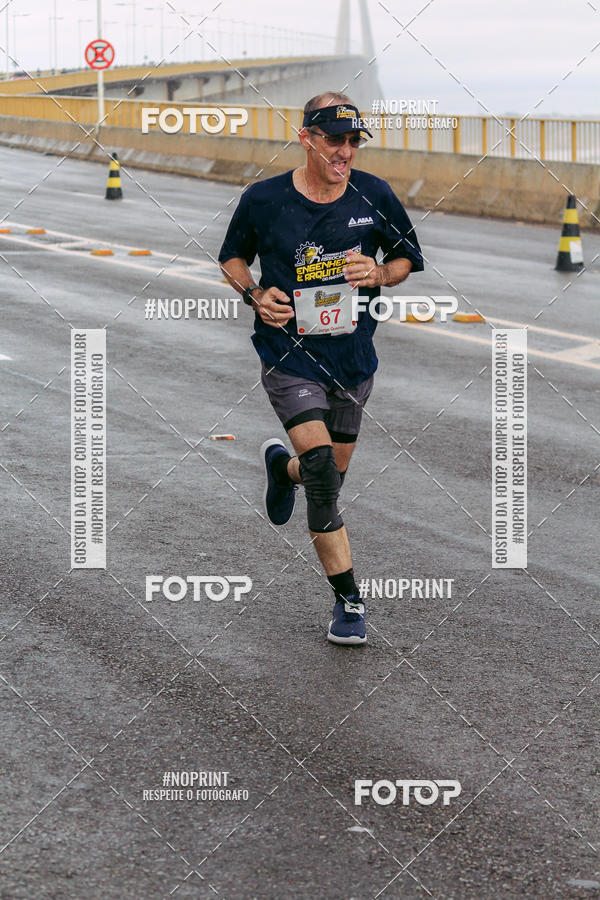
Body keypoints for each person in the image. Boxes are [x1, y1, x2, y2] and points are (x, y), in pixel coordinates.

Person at [219, 91, 423, 645]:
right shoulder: (264, 199)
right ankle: (348, 603)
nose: (346, 151)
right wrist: (256, 292)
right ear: (306, 136)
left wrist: (379, 274)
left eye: (355, 141)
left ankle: (282, 470)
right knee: (326, 484)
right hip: (287, 355)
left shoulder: (374, 194)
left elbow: (407, 257)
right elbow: (231, 258)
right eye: (335, 139)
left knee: (321, 472)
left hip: (353, 359)